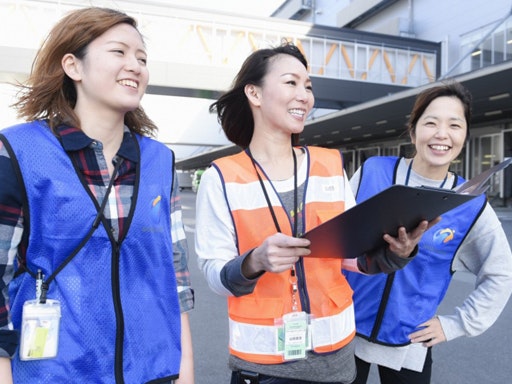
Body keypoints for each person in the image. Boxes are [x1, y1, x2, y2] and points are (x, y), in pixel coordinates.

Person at [195, 42, 436, 384]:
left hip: (337, 361)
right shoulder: (222, 176)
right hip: (263, 365)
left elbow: (355, 257)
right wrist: (255, 260)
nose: (305, 96)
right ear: (255, 93)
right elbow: (214, 273)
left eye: (308, 87)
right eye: (291, 83)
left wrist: (397, 252)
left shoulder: (328, 164)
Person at [0, 7, 194, 383]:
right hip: (55, 374)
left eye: (142, 58)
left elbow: (174, 279)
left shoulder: (160, 160)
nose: (135, 66)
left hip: (152, 373)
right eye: (119, 52)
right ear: (74, 66)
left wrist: (185, 375)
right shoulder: (19, 152)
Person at [344, 82, 512, 384]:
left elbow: (501, 271)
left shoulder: (470, 205)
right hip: (344, 331)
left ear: (464, 136)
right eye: (431, 122)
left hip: (410, 342)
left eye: (454, 125)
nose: (441, 134)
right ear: (413, 131)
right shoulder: (373, 172)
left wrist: (455, 324)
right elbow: (337, 239)